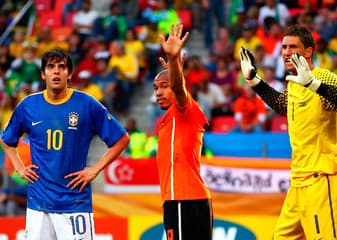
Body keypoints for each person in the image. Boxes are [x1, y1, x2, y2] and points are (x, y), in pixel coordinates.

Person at [240, 25, 337, 239]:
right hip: (297, 183)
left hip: (321, 180)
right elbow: (280, 104)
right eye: (283, 46)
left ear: (308, 52)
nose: (285, 51)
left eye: (292, 47)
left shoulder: (324, 77)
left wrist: (314, 84)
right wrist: (254, 80)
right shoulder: (294, 84)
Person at [0, 49, 130, 239]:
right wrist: (19, 167)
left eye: (62, 67)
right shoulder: (28, 105)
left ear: (69, 74)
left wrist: (94, 170)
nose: (56, 72)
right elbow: (7, 139)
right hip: (39, 203)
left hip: (74, 201)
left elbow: (121, 139)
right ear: (43, 74)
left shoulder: (86, 104)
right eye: (51, 67)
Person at [153, 23, 213, 240]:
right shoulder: (167, 120)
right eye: (156, 88)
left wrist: (173, 61)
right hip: (183, 200)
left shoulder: (183, 111)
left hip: (183, 200)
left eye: (163, 86)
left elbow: (179, 88)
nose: (159, 92)